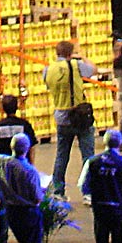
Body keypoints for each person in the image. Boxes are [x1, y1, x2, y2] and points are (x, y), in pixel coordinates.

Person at [43, 40, 98, 199]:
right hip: (79, 116)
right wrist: (83, 57)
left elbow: (48, 85)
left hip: (61, 116)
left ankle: (58, 191)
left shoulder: (48, 69)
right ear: (70, 53)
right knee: (88, 155)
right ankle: (88, 193)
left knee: (62, 156)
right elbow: (93, 70)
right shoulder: (76, 65)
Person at [0, 94, 38, 243]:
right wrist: (31, 164)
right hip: (22, 166)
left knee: (4, 199)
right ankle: (26, 231)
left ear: (2, 108)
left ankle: (3, 234)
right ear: (17, 107)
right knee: (25, 198)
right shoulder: (24, 125)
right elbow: (31, 146)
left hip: (4, 168)